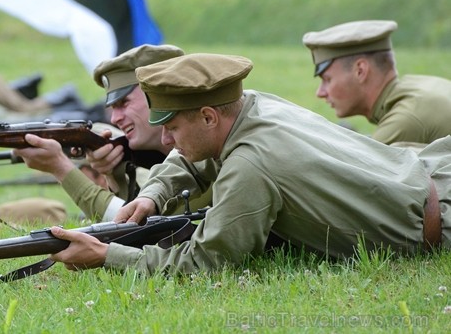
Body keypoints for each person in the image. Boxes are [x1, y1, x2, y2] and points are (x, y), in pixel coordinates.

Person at [43, 53, 450, 275]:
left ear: (208, 116)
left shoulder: (251, 168)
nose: (165, 141)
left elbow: (203, 262)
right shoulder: (251, 103)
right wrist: (153, 194)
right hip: (433, 167)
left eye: (172, 127)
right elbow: (190, 157)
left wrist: (106, 256)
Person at [14, 44, 212, 222]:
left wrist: (61, 168)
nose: (116, 118)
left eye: (124, 103)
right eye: (113, 107)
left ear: (161, 95)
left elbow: (144, 223)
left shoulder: (203, 147)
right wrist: (114, 175)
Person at [302, 20, 451, 146]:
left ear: (360, 71)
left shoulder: (404, 121)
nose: (320, 92)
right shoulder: (419, 86)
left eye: (328, 80)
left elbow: (358, 176)